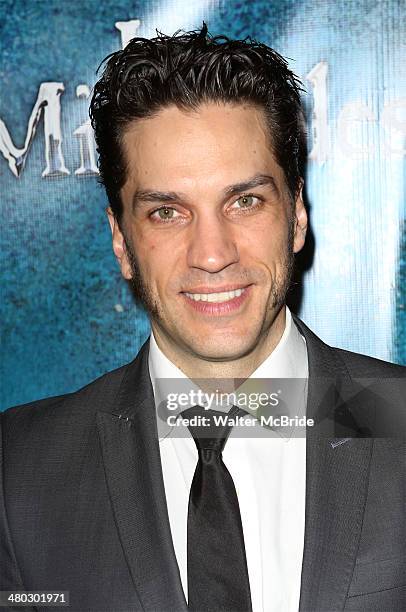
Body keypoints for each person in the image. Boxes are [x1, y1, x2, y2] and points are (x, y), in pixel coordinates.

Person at [1, 24, 405, 612]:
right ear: (121, 240)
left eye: (245, 201)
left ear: (295, 216)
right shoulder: (21, 470)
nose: (212, 254)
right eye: (167, 212)